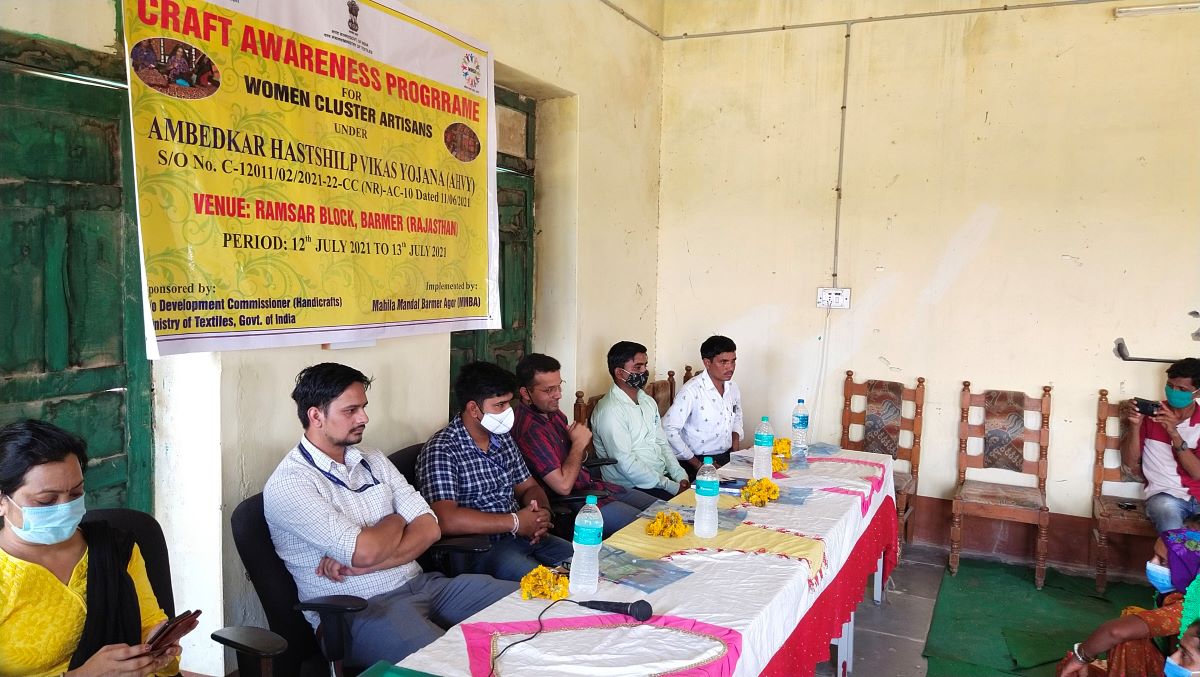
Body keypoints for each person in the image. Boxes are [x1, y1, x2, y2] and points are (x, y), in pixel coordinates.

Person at [263, 363, 516, 666]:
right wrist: (397, 519)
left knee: (532, 605)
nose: (364, 418)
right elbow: (365, 551)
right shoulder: (291, 483)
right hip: (361, 611)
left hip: (424, 585)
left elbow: (430, 528)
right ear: (316, 416)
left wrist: (373, 554)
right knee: (452, 664)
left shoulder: (372, 458)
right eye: (351, 410)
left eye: (363, 407)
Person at [0, 419, 181, 677]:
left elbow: (148, 626)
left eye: (75, 494)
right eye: (46, 501)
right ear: (2, 501)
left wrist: (160, 649)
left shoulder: (116, 550)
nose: (65, 508)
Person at [418, 361, 573, 582]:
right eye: (499, 405)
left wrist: (541, 514)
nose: (507, 411)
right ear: (474, 409)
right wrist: (515, 522)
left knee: (586, 566)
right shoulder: (442, 449)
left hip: (524, 537)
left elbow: (529, 487)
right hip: (481, 549)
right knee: (547, 585)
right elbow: (445, 519)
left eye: (509, 403)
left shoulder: (502, 438)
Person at [513, 353, 657, 537]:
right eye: (549, 390)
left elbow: (576, 457)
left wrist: (578, 447)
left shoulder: (553, 414)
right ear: (526, 393)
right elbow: (563, 486)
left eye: (559, 386)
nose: (558, 395)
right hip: (577, 503)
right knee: (649, 529)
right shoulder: (530, 431)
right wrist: (579, 444)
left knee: (665, 511)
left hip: (595, 487)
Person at [1057, 527, 1200, 677]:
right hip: (1181, 661)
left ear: (1187, 569)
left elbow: (1115, 631)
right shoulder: (1181, 591)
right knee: (1132, 620)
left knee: (1127, 639)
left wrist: (1081, 657)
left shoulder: (1188, 608)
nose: (1151, 563)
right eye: (1154, 556)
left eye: (1162, 562)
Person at [591, 341, 690, 501]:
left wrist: (680, 476)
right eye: (637, 367)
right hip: (630, 487)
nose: (644, 371)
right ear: (619, 373)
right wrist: (671, 486)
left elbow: (661, 442)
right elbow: (625, 463)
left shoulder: (647, 401)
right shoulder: (610, 411)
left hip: (660, 478)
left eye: (645, 365)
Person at [1121, 358, 1200, 533]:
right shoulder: (1151, 414)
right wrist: (1135, 427)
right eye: (1170, 386)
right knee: (1171, 526)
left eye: (1182, 389)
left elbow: (1197, 473)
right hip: (1165, 495)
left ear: (1197, 393)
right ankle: (1172, 551)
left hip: (1197, 496)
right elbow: (1129, 462)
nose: (1173, 392)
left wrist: (1173, 433)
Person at [662, 335, 744, 477]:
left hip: (726, 458)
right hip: (695, 463)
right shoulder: (691, 391)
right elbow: (668, 429)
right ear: (707, 362)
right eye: (723, 362)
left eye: (733, 361)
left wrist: (735, 446)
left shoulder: (732, 387)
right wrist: (699, 465)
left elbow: (737, 416)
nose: (730, 367)